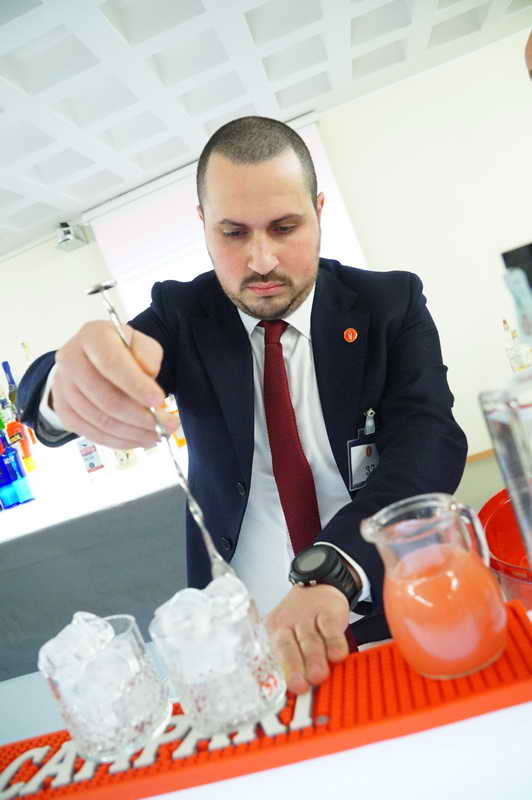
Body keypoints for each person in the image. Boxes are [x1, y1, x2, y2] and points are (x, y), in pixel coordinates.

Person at [18, 116, 467, 695]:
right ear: (204, 225)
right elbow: (64, 383)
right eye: (233, 233)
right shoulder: (183, 315)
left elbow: (429, 442)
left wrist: (338, 568)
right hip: (247, 640)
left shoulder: (390, 302)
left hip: (387, 598)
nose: (260, 261)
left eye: (285, 227)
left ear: (319, 210)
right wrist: (64, 386)